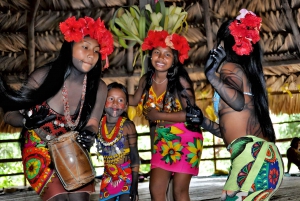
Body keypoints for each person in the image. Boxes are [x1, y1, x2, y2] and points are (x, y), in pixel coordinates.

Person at [0, 16, 114, 201]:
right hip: (38, 145)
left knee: (80, 198)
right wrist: (26, 121)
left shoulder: (98, 88)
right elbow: (9, 115)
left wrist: (89, 134)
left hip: (70, 146)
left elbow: (92, 123)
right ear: (70, 47)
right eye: (84, 47)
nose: (91, 55)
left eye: (96, 50)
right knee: (58, 198)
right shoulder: (42, 76)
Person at [186, 9, 284, 200]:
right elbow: (229, 129)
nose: (215, 47)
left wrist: (211, 76)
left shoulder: (229, 69)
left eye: (218, 41)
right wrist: (203, 122)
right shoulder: (240, 74)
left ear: (226, 44)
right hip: (253, 157)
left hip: (254, 158)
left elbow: (238, 103)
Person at [129, 30, 204, 201]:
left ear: (175, 58)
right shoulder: (146, 80)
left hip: (187, 138)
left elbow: (191, 115)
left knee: (179, 191)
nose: (161, 58)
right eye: (157, 52)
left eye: (167, 54)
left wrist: (158, 115)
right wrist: (109, 96)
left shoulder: (180, 81)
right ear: (150, 55)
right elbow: (133, 100)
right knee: (156, 190)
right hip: (163, 139)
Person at [96, 82, 139, 201]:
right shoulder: (98, 124)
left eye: (120, 100)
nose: (115, 103)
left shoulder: (127, 126)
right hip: (108, 175)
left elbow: (135, 156)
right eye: (111, 99)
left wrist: (134, 186)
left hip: (126, 175)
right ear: (103, 102)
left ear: (125, 106)